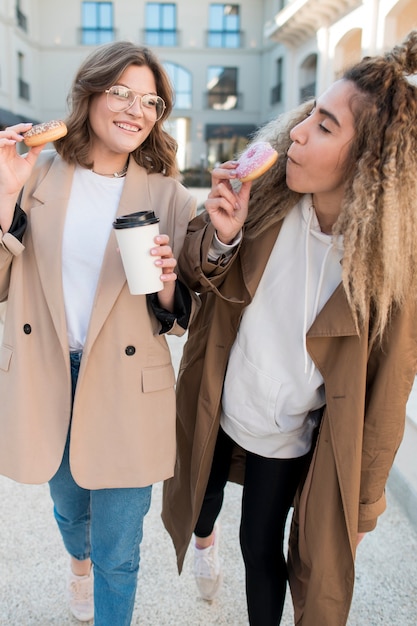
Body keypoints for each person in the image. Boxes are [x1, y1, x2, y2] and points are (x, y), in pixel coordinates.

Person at [162, 30, 417, 626]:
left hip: (289, 434)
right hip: (218, 400)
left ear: (372, 160)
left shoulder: (389, 273)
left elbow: (385, 399)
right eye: (309, 115)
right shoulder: (268, 201)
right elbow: (197, 276)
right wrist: (222, 232)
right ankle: (203, 541)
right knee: (199, 505)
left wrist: (361, 510)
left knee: (260, 546)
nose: (297, 131)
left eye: (325, 125)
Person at [0, 41, 197, 625]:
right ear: (89, 93)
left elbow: (183, 313)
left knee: (121, 551)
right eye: (122, 93)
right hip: (51, 373)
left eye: (151, 101)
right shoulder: (35, 177)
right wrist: (5, 195)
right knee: (68, 509)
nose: (136, 109)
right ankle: (75, 561)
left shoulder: (168, 195)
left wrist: (165, 284)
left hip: (129, 386)